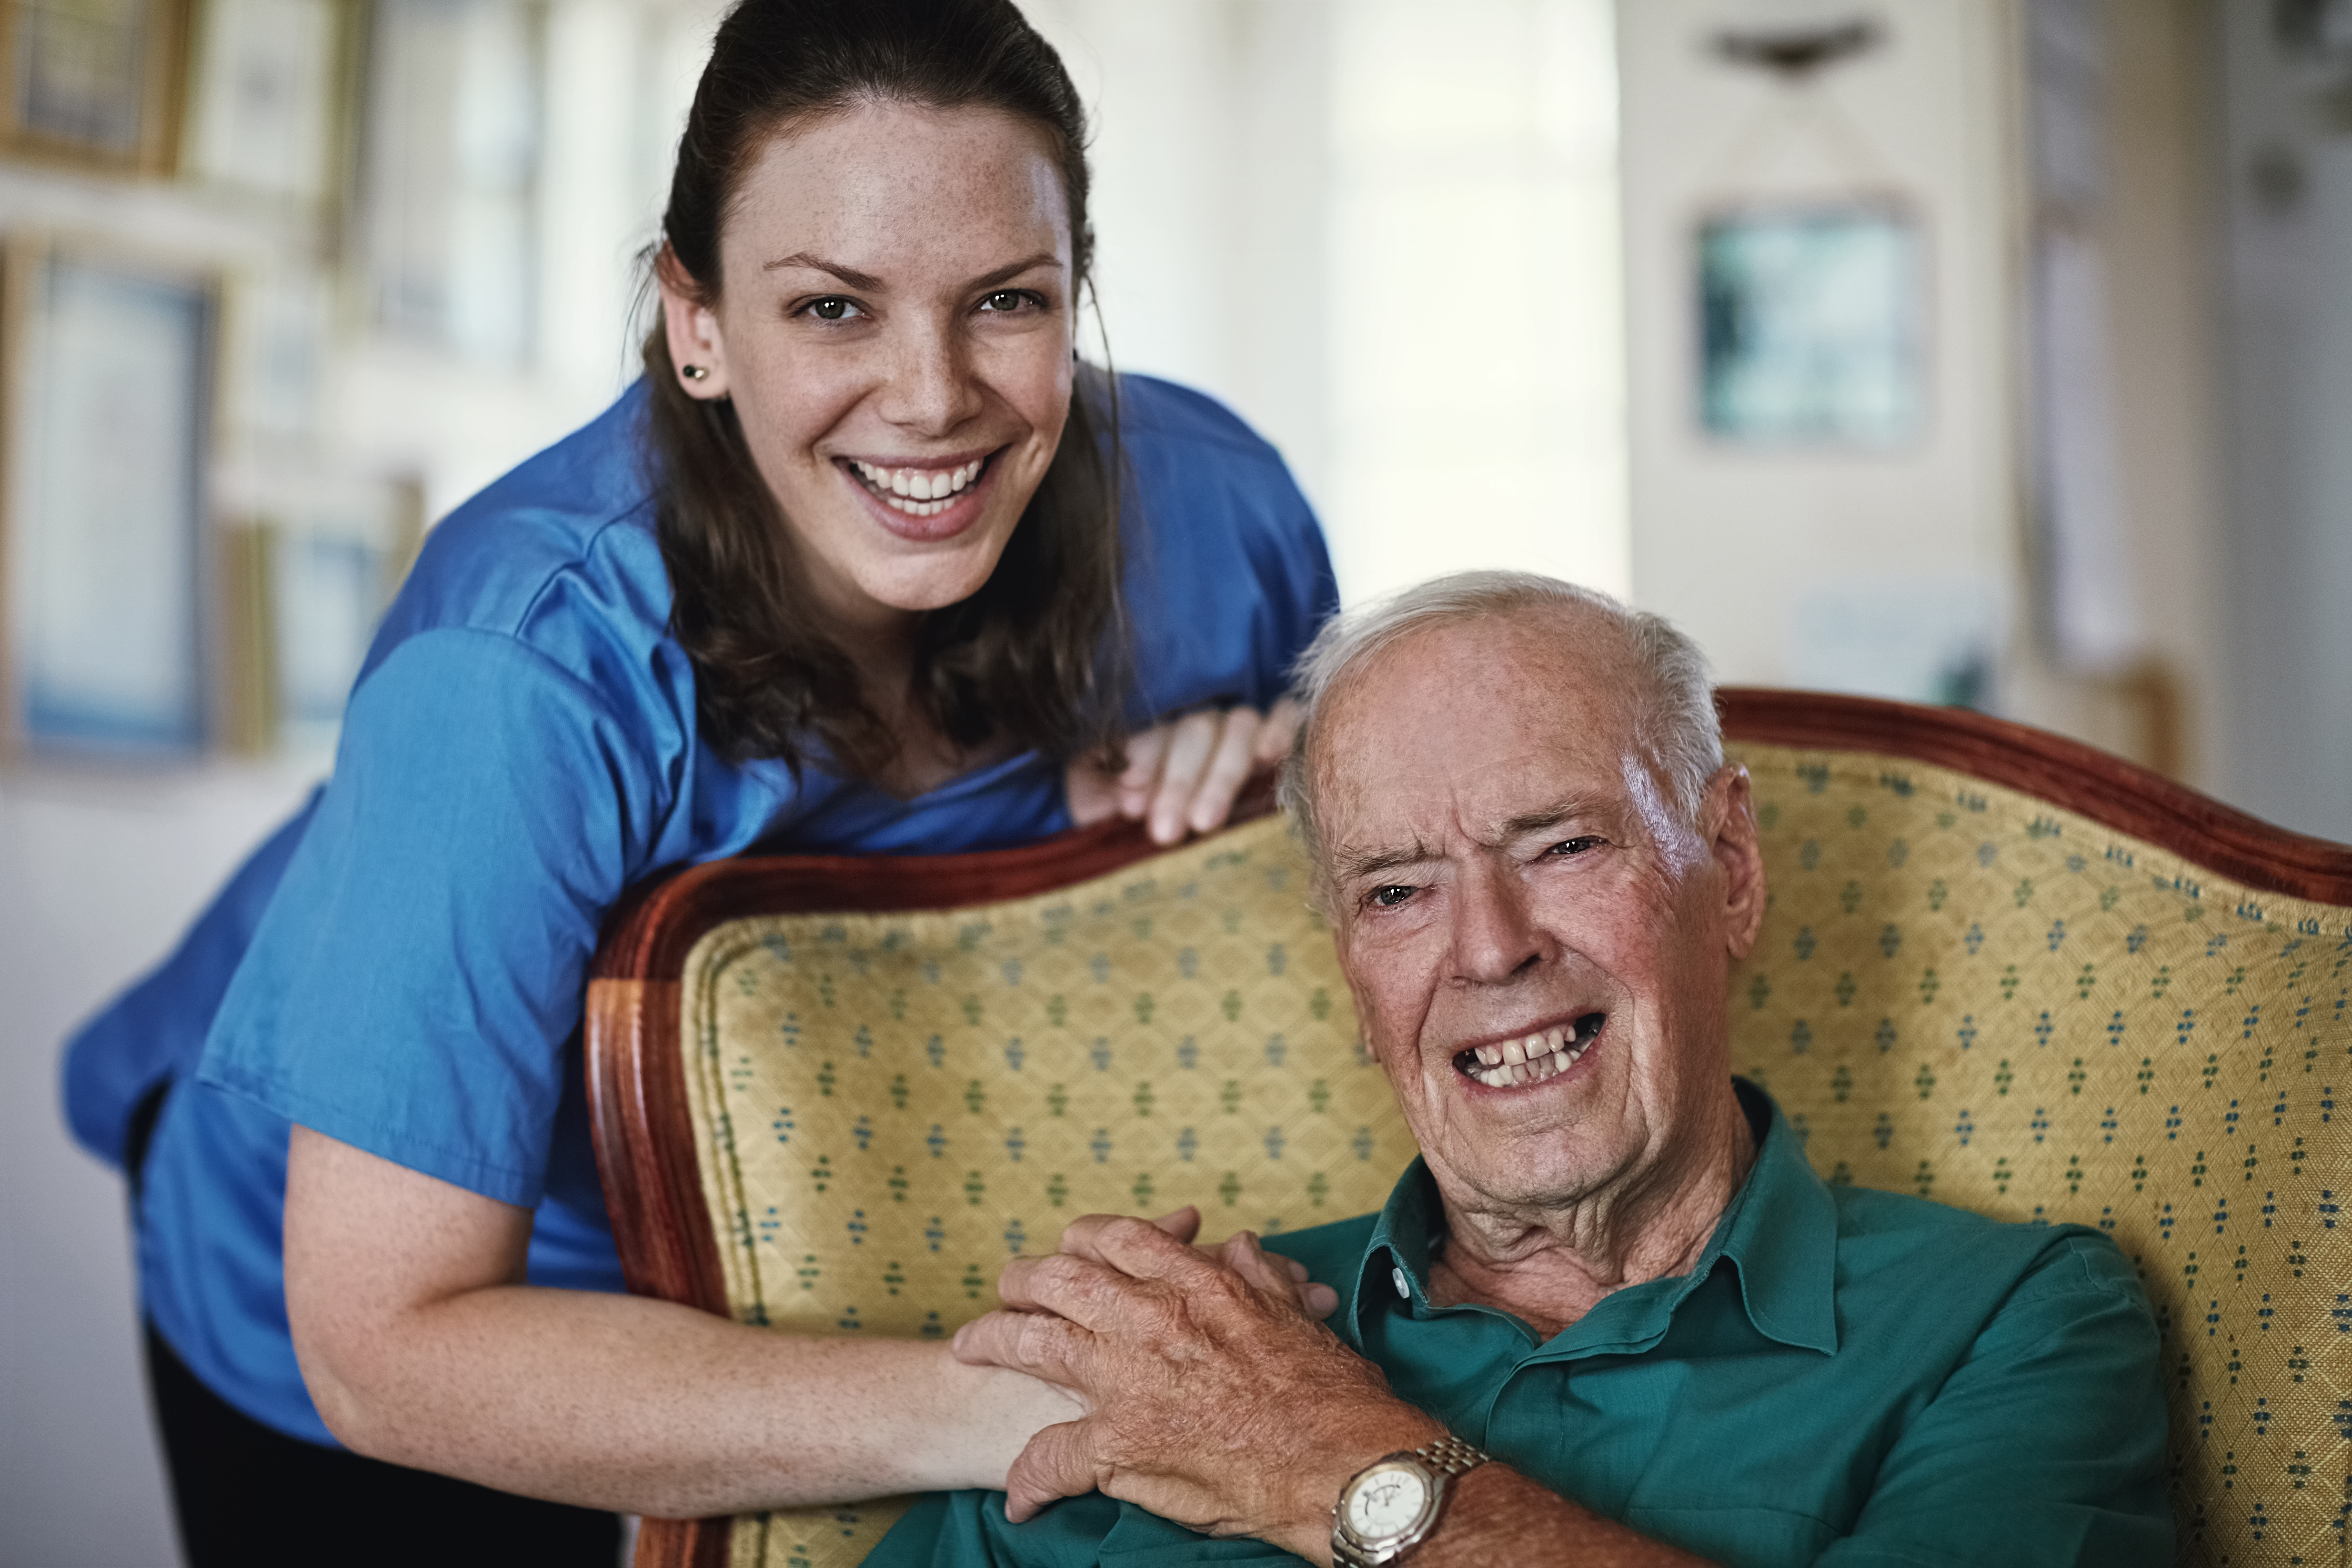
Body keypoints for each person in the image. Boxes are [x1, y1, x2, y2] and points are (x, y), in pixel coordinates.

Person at [58, 2, 1337, 1562]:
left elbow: (1333, 923)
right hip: (407, 1300)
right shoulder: (521, 666)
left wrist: (1289, 785)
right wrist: (1037, 1408)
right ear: (697, 320)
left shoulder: (1218, 518)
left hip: (842, 1246)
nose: (932, 396)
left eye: (1005, 300)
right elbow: (387, 1345)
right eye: (831, 310)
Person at [924, 572, 2174, 1567]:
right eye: (1397, 888)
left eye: (1565, 842)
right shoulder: (1181, 1341)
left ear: (1727, 867)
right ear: (1351, 969)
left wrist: (1319, 1455)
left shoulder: (2009, 1320)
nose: (1489, 946)